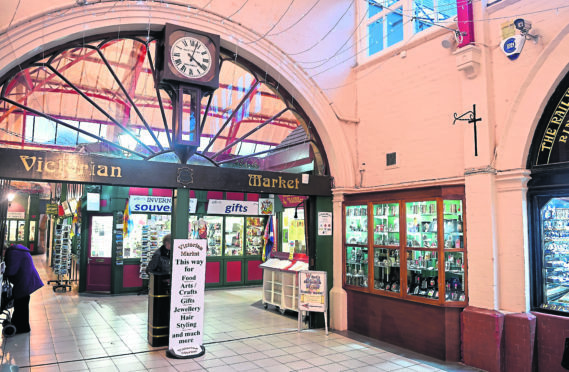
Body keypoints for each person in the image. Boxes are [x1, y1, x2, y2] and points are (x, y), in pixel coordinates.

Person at [3, 243, 44, 334]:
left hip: (24, 280)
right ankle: (20, 324)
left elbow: (12, 270)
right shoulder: (16, 251)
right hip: (26, 278)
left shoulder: (14, 253)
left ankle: (22, 327)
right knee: (22, 303)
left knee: (20, 303)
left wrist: (4, 273)